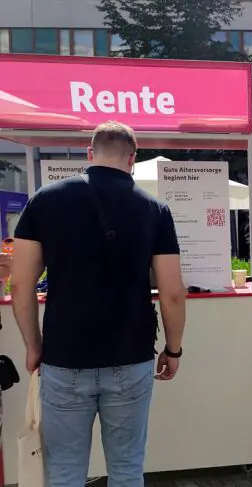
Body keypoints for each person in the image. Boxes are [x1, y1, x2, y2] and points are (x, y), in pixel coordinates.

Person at [11, 121, 187, 487]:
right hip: (131, 356)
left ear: (89, 153)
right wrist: (173, 350)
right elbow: (172, 292)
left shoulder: (44, 200)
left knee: (65, 472)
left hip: (64, 356)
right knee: (126, 469)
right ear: (132, 158)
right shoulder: (155, 209)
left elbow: (22, 283)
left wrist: (33, 346)